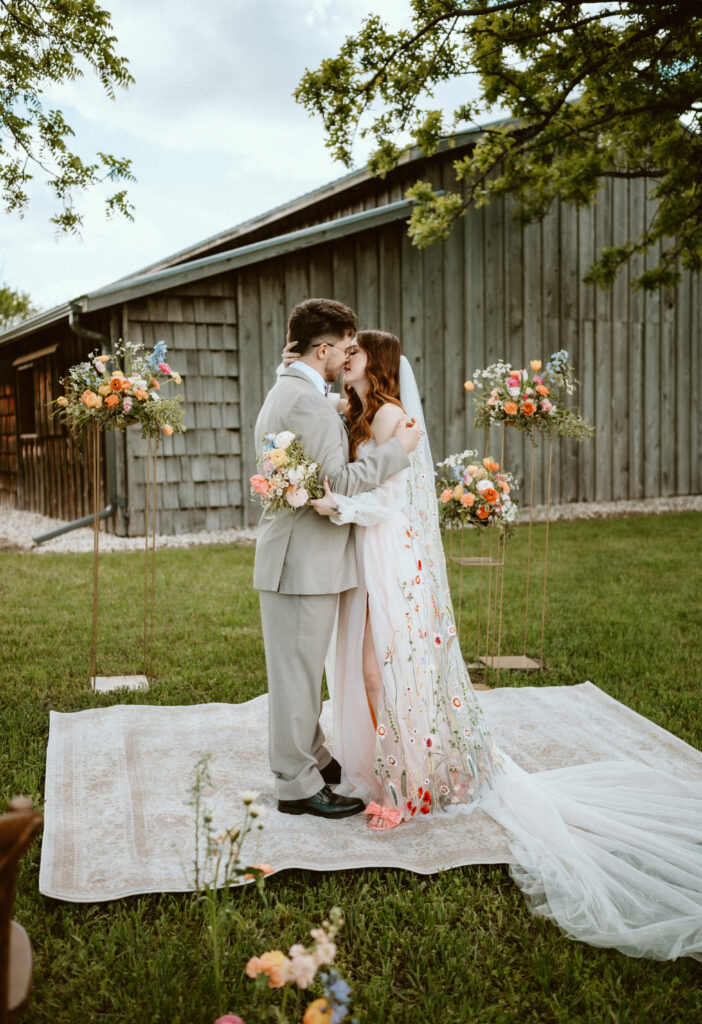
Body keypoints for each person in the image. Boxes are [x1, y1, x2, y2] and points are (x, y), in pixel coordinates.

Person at [299, 328, 702, 961]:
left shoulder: (393, 417)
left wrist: (335, 507)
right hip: (369, 553)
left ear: (372, 364)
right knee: (367, 668)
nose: (341, 363)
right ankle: (395, 768)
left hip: (390, 555)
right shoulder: (361, 413)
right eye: (339, 354)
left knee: (387, 670)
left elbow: (389, 504)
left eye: (351, 356)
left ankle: (406, 788)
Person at [253, 299, 421, 821]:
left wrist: (294, 363)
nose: (349, 357)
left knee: (300, 671)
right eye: (345, 349)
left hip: (302, 558)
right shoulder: (303, 400)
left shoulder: (295, 387)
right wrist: (400, 452)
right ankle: (296, 785)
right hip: (302, 561)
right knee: (296, 677)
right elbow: (338, 482)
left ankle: (315, 756)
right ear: (322, 350)